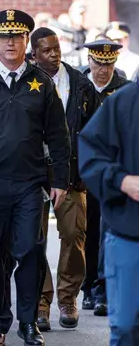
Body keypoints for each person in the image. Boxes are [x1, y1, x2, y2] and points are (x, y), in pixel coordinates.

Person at [0, 10, 71, 346]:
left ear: (26, 43)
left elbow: (59, 137)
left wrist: (60, 179)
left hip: (28, 184)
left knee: (31, 253)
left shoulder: (41, 82)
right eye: (4, 37)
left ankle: (28, 323)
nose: (10, 42)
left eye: (17, 37)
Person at [29, 27, 97, 331]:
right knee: (34, 239)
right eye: (47, 50)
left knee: (73, 235)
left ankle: (68, 299)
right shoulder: (23, 83)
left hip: (71, 175)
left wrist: (86, 170)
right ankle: (41, 303)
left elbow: (94, 133)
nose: (54, 54)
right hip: (33, 175)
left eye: (57, 48)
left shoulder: (81, 84)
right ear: (34, 55)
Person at [78, 83, 139, 346]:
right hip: (129, 233)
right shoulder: (123, 103)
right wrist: (122, 181)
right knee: (126, 327)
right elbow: (91, 157)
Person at [80, 39, 133, 318]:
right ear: (89, 60)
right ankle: (87, 286)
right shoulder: (78, 86)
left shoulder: (123, 91)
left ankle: (101, 290)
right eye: (98, 63)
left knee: (104, 232)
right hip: (81, 171)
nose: (103, 69)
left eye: (109, 63)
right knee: (83, 233)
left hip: (112, 173)